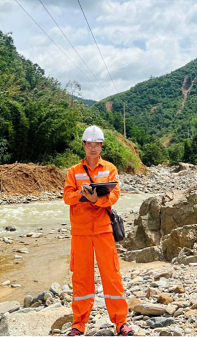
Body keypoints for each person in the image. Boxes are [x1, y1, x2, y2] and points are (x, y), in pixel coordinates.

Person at [63, 126, 134, 336]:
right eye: (89, 144)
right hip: (81, 232)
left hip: (103, 230)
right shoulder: (73, 172)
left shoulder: (110, 169)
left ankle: (121, 323)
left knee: (111, 276)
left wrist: (97, 199)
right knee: (81, 278)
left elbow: (115, 195)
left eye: (97, 144)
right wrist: (81, 195)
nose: (93, 148)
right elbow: (67, 197)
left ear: (101, 146)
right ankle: (78, 324)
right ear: (84, 145)